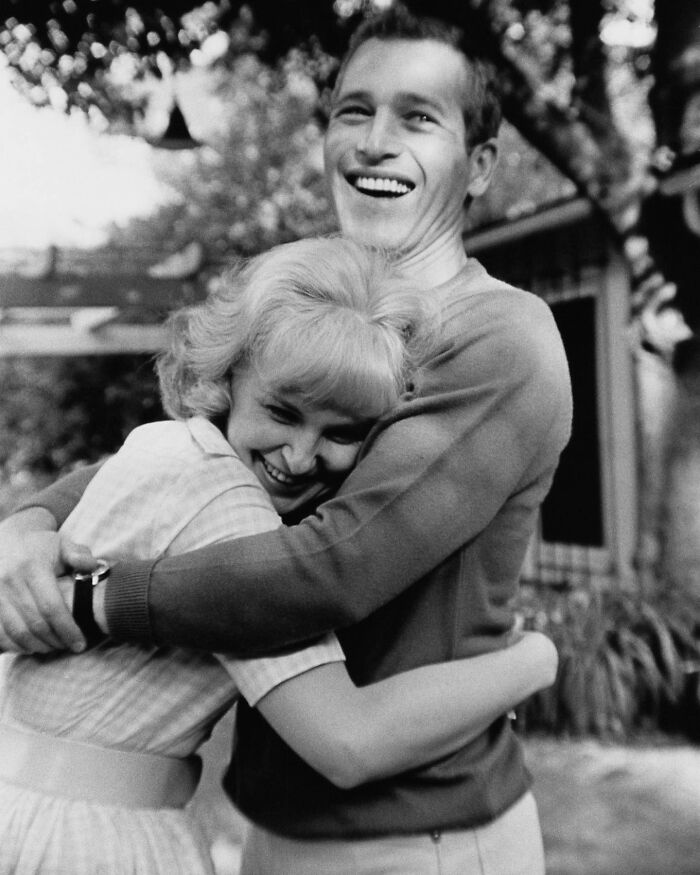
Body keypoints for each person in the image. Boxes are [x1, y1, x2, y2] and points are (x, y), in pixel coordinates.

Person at [0, 5, 573, 874]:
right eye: (354, 110)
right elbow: (183, 453)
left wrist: (94, 601)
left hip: (419, 834)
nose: (375, 141)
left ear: (481, 162)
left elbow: (325, 569)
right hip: (271, 822)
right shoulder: (318, 307)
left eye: (418, 117)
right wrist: (29, 526)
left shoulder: (502, 337)